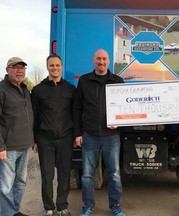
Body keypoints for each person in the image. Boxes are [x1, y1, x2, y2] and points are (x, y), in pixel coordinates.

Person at [73, 49, 125, 216]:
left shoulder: (117, 81)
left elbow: (124, 107)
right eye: (98, 59)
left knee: (115, 174)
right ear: (93, 61)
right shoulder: (84, 81)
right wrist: (78, 133)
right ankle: (87, 206)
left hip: (112, 136)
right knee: (87, 175)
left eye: (104, 59)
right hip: (89, 134)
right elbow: (77, 107)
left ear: (108, 61)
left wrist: (119, 123)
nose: (101, 62)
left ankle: (115, 206)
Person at [31, 54, 76, 216]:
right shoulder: (38, 90)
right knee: (47, 175)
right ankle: (48, 208)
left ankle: (62, 206)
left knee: (64, 174)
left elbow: (75, 114)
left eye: (57, 65)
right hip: (45, 139)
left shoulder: (71, 89)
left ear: (61, 67)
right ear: (47, 67)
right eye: (52, 66)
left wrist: (75, 135)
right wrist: (34, 139)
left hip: (65, 138)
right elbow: (34, 117)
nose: (55, 68)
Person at [0, 57, 34, 216]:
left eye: (22, 68)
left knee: (20, 182)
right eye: (16, 67)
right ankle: (7, 213)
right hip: (8, 147)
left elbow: (28, 116)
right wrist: (1, 146)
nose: (20, 70)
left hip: (25, 145)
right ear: (7, 69)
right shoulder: (1, 89)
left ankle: (15, 211)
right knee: (6, 185)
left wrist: (33, 140)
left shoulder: (25, 89)